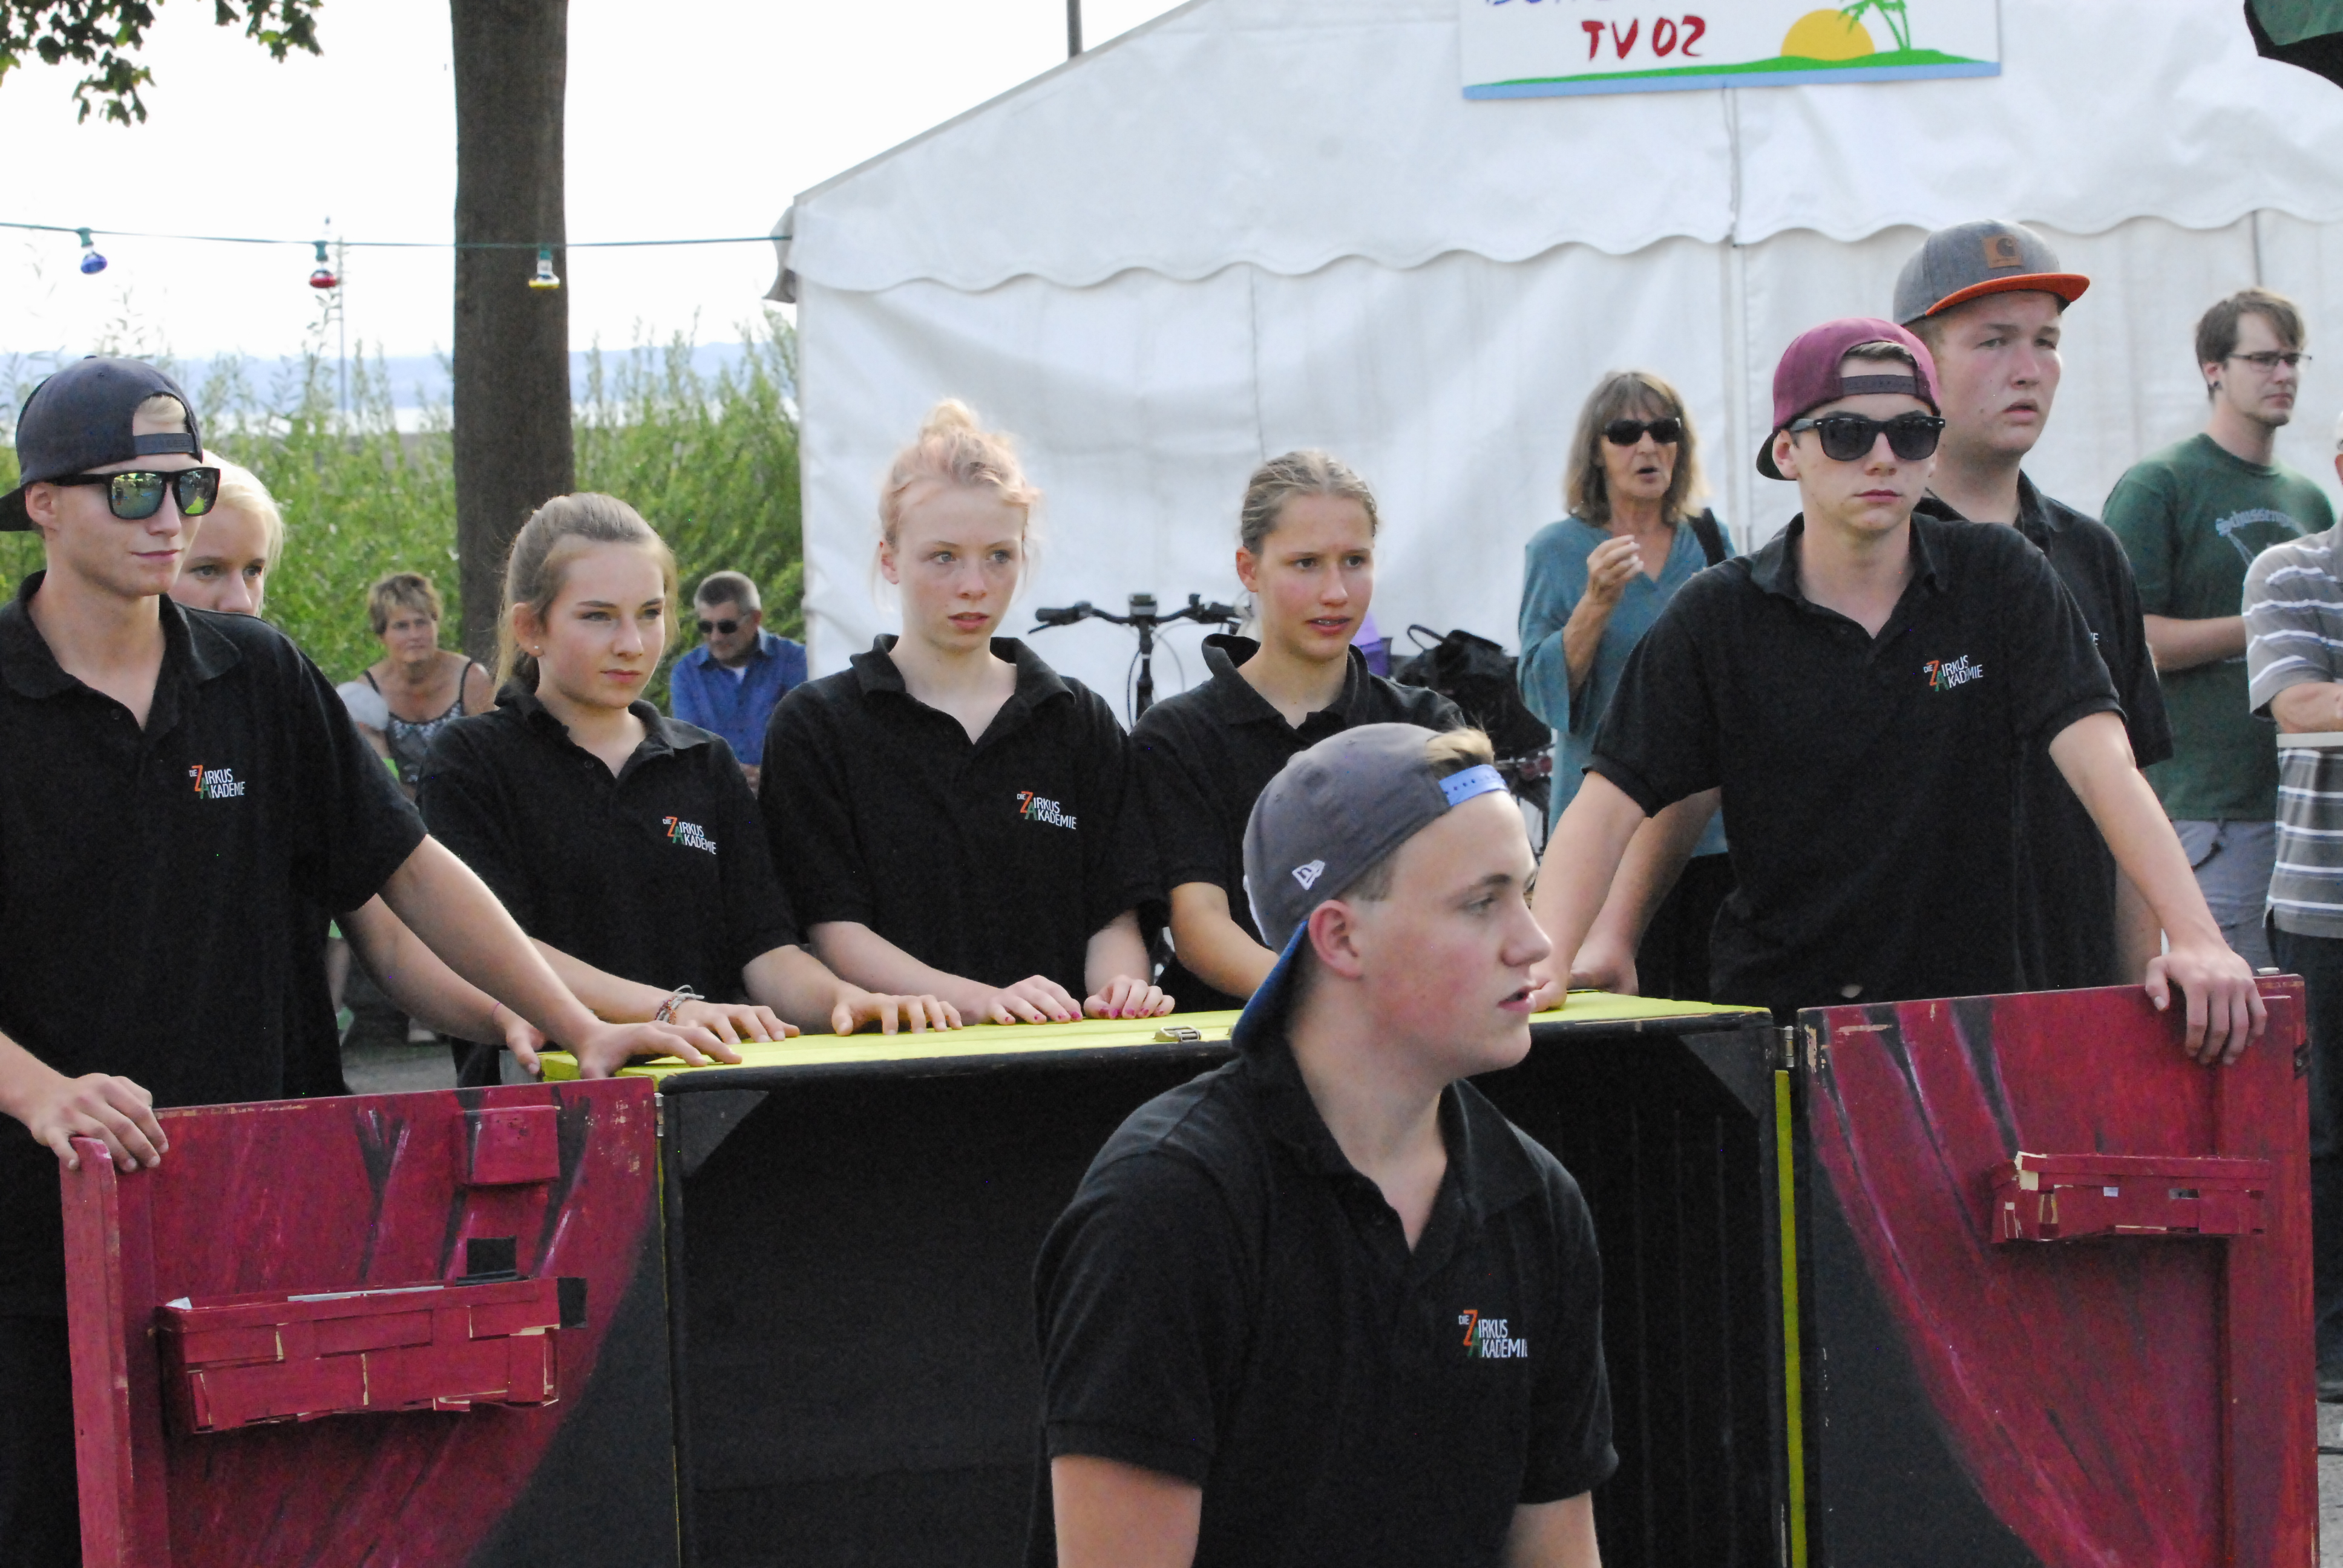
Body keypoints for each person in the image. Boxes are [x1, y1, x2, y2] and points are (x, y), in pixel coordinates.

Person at [0, 358, 723, 1567]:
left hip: (261, 1210)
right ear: (44, 506)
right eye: (132, 490)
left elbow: (412, 869)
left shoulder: (259, 675)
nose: (169, 518)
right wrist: (41, 1093)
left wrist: (571, 1019)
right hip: (36, 1241)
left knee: (276, 1531)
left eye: (187, 486)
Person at [1536, 319, 2262, 1062]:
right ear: (1786, 452)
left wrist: (2197, 938)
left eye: (1911, 433)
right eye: (1845, 434)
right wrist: (1553, 956)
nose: (1881, 457)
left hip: (1977, 1026)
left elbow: (2105, 763)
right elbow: (1608, 801)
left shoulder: (1999, 575)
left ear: (1934, 449)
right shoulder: (1719, 614)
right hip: (1789, 1026)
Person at [1032, 724, 1610, 1568]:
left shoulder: (1534, 1202)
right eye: (1481, 903)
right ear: (1339, 938)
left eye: (1525, 890)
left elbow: (1556, 1549)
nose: (1536, 942)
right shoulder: (1167, 1206)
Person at [419, 493, 955, 1080]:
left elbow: (765, 953)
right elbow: (495, 950)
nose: (631, 642)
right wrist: (672, 1010)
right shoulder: (472, 760)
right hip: (537, 1104)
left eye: (650, 613)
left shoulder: (704, 763)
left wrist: (843, 1002)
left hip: (703, 1098)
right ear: (530, 627)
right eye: (598, 616)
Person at [759, 401, 1168, 1025]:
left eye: (999, 556)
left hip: (1063, 1060)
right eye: (943, 556)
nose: (974, 584)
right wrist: (980, 1002)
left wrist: (1119, 993)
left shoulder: (1074, 719)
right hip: (890, 1065)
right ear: (890, 559)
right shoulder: (817, 726)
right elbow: (834, 930)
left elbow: (1114, 915)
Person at [166, 458, 552, 1093]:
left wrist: (511, 1013)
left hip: (289, 1101)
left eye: (255, 571)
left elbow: (392, 922)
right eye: (206, 570)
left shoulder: (282, 703)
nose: (238, 599)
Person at [1893, 220, 2173, 990]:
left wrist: (2133, 994)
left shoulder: (2090, 554)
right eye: (1992, 342)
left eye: (2045, 341)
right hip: (1910, 1008)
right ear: (1916, 365)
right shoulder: (1866, 557)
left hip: (2074, 993)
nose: (2027, 370)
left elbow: (2133, 790)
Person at [1132, 451, 1461, 1013]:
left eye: (1354, 561)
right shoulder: (1178, 737)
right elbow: (1198, 925)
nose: (1336, 592)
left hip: (1406, 1031)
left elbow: (1471, 894)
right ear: (1249, 569)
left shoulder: (1426, 726)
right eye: (1306, 563)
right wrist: (1337, 1003)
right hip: (1233, 1042)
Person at [2105, 287, 2337, 973]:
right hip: (2208, 805)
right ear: (2213, 369)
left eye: (2293, 359)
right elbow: (2127, 644)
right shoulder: (2161, 484)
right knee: (2238, 1008)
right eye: (2263, 359)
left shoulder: (2307, 496)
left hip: (2308, 812)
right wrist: (2268, 625)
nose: (2283, 374)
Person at [1518, 370, 1732, 1001]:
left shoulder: (1707, 538)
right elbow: (1537, 692)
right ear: (1596, 451)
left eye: (1663, 430)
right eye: (1624, 433)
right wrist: (1595, 604)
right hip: (1606, 836)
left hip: (1709, 835)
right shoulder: (1557, 550)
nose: (1647, 447)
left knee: (1714, 1010)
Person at [2243, 419, 2343, 1399]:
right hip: (2325, 906)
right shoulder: (2291, 571)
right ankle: (2323, 1337)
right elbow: (2300, 706)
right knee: (2322, 1137)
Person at [353, 571, 494, 797]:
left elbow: (491, 760)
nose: (414, 635)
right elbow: (379, 779)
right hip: (399, 808)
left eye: (421, 623)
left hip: (468, 802)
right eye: (401, 626)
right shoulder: (367, 692)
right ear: (382, 635)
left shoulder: (471, 679)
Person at [669, 569, 805, 791]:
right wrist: (730, 776)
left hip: (788, 793)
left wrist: (770, 775)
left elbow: (806, 738)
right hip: (718, 797)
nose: (716, 637)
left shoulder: (796, 661)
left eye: (726, 627)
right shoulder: (686, 674)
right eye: (706, 627)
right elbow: (691, 750)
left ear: (755, 619)